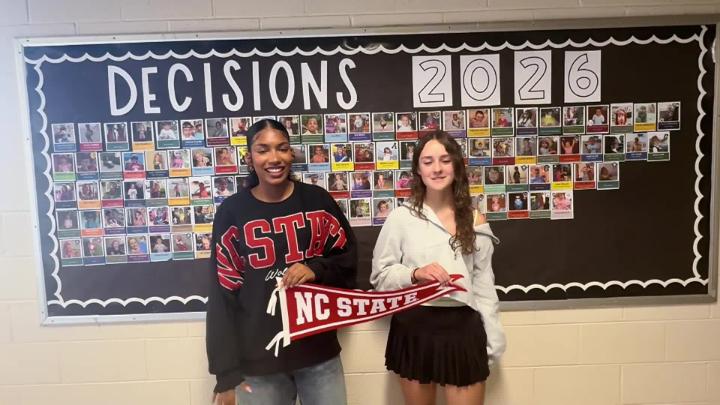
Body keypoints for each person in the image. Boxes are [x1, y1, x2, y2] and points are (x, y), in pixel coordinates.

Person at [206, 119, 358, 405]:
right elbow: (222, 294)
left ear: (291, 155)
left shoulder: (317, 201)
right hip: (257, 364)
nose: (274, 158)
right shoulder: (233, 212)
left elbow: (348, 261)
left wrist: (315, 268)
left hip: (318, 354)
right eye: (263, 150)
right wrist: (225, 375)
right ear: (249, 158)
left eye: (282, 148)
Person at [370, 130, 505, 405]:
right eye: (428, 161)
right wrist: (415, 274)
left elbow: (482, 283)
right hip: (415, 327)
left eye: (445, 160)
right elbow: (380, 277)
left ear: (456, 165)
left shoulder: (475, 218)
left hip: (463, 328)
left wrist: (493, 338)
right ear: (418, 170)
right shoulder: (401, 217)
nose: (437, 168)